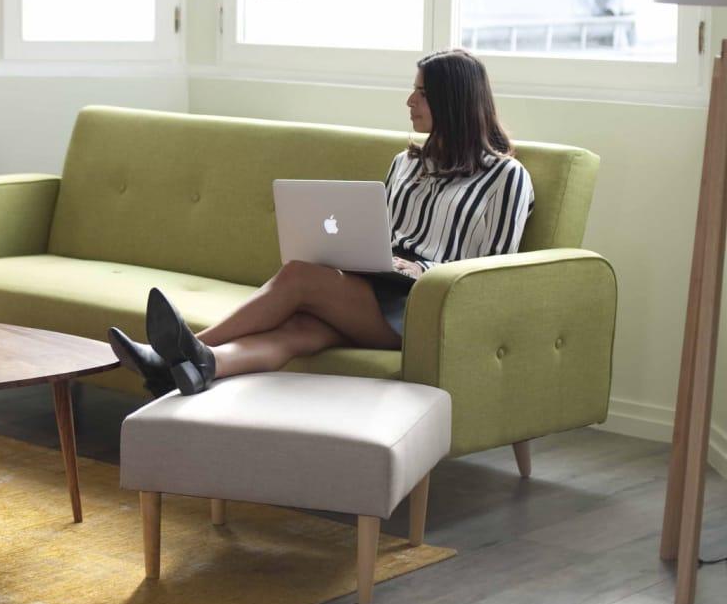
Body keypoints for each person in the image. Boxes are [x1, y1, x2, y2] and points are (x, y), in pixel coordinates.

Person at [109, 48, 535, 397]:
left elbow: (490, 275)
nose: (409, 102)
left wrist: (419, 269)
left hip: (424, 308)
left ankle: (173, 353)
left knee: (300, 276)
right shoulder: (406, 163)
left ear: (452, 101)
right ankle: (202, 366)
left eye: (421, 94)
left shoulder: (505, 177)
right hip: (375, 292)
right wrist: (368, 256)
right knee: (298, 332)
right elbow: (378, 234)